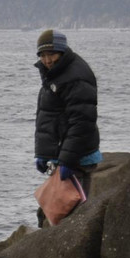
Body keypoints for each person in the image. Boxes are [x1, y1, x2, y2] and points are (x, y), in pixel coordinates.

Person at [33, 29, 101, 226]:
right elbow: (49, 117)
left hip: (76, 159)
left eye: (51, 54)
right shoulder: (54, 74)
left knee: (73, 217)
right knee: (55, 216)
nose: (47, 60)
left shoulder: (76, 76)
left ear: (62, 52)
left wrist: (67, 161)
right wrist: (43, 155)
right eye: (43, 55)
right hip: (62, 157)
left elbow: (82, 122)